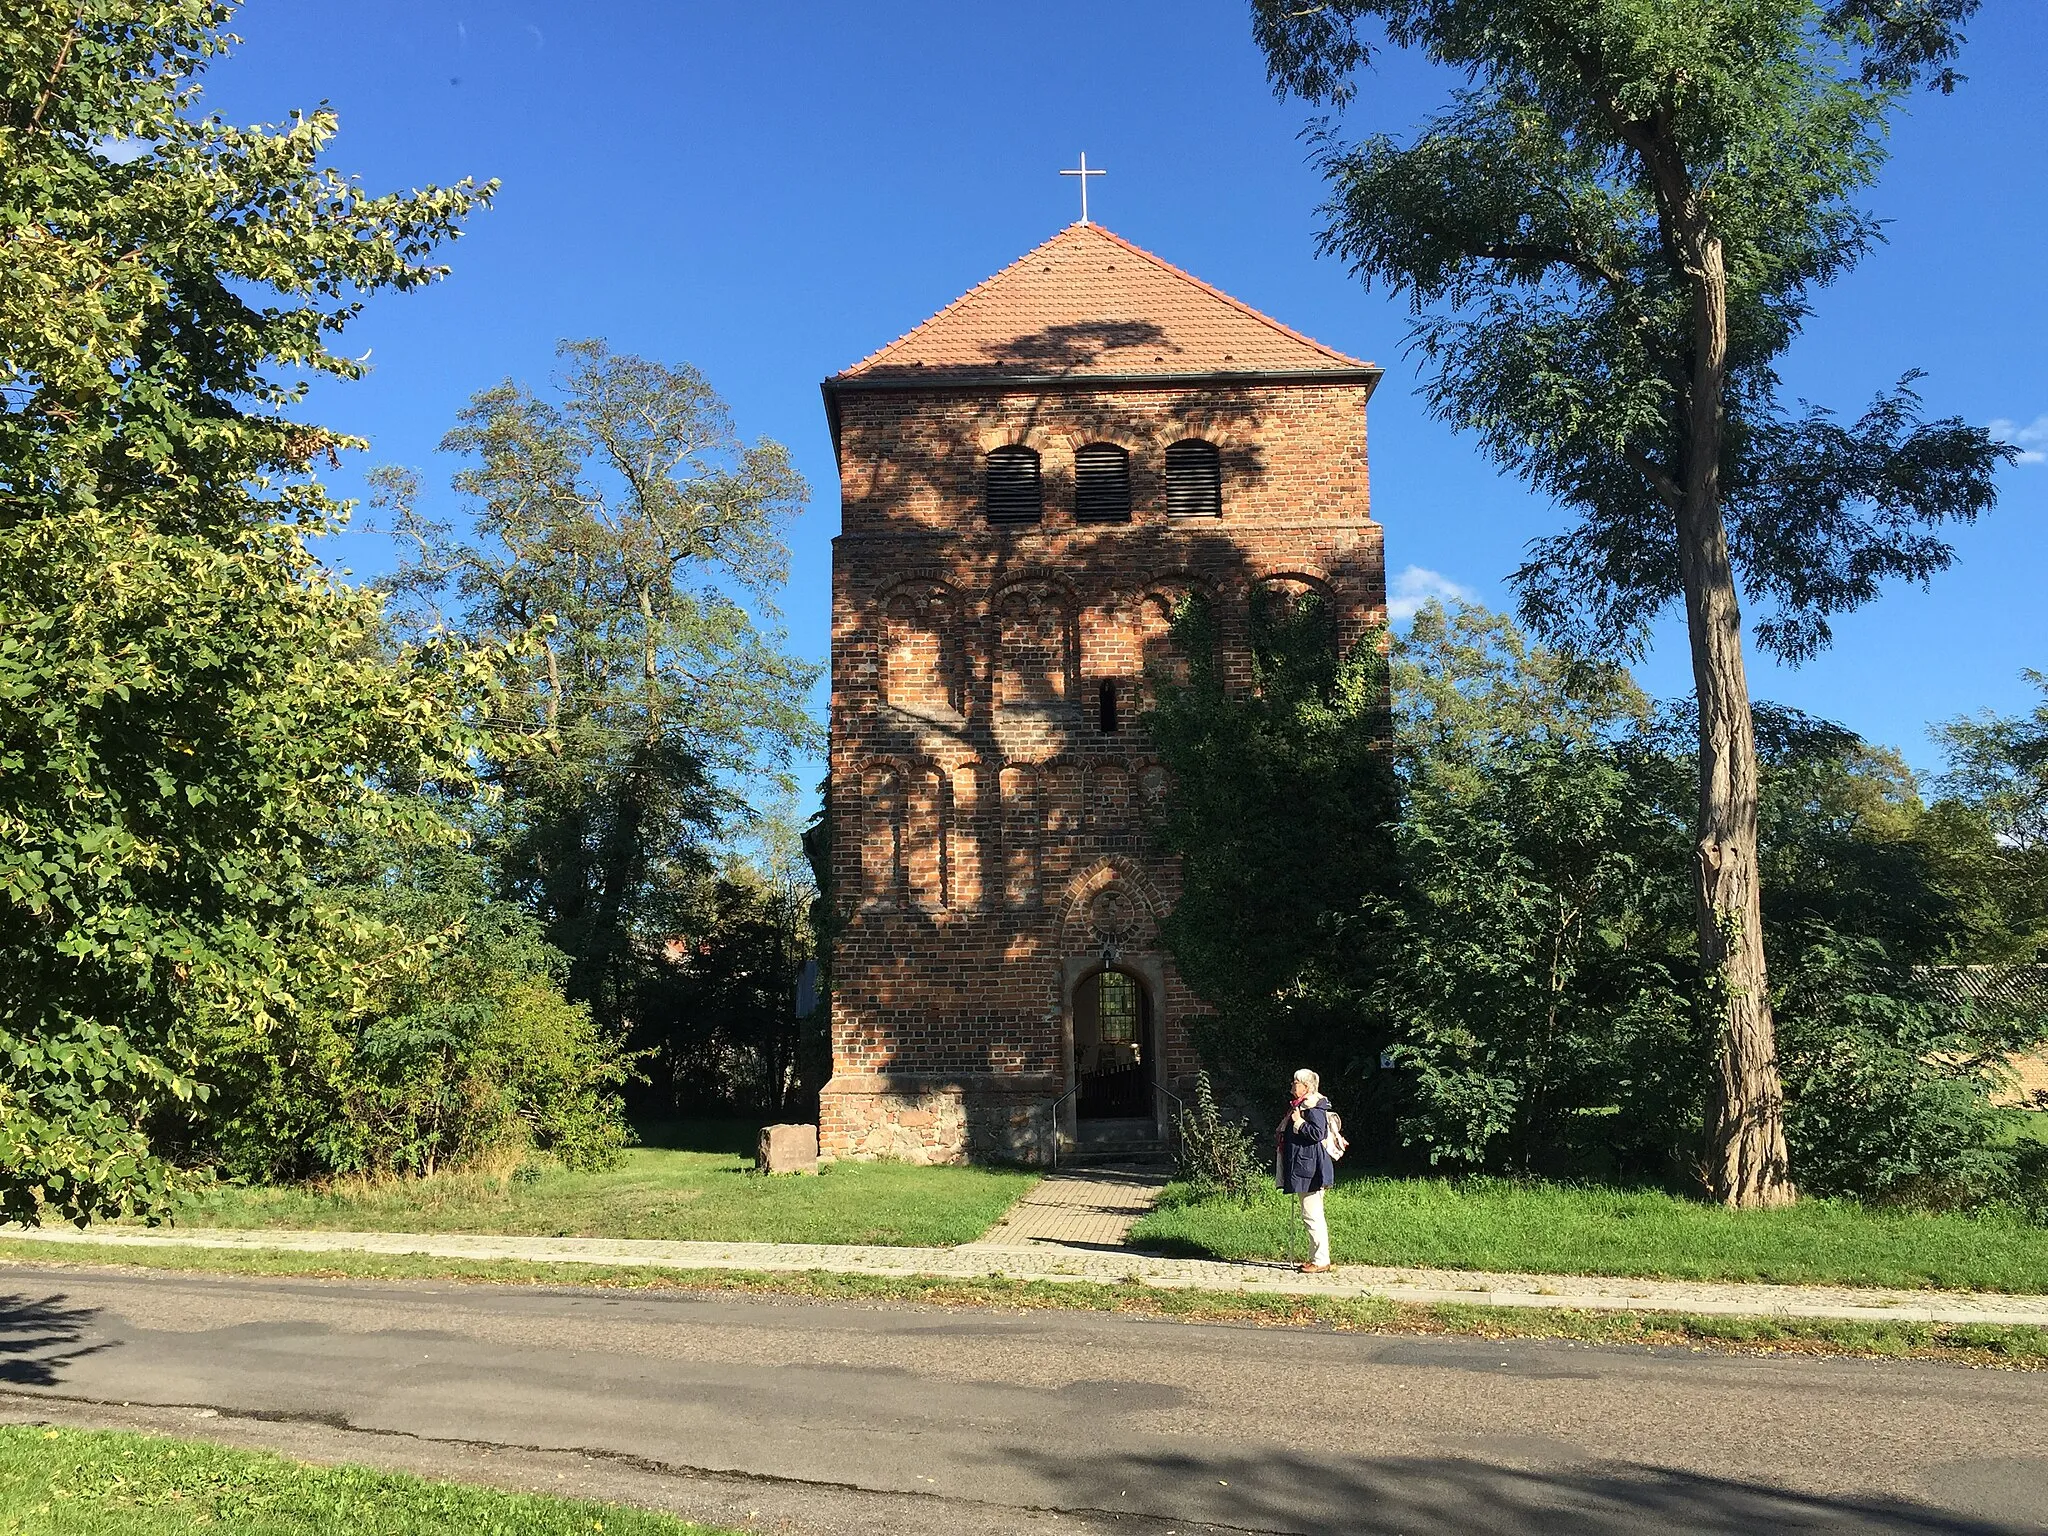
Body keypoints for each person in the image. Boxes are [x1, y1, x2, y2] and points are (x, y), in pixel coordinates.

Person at [1275, 1068, 1335, 1272]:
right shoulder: (1302, 1105)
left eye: (1296, 1083)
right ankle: (1316, 1258)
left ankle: (1320, 1260)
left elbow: (1318, 1133)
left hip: (1311, 1168)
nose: (1292, 1086)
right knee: (1310, 1213)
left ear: (1306, 1087)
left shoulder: (1314, 1107)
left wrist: (1299, 1122)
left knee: (1312, 1214)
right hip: (1304, 1166)